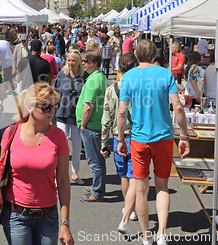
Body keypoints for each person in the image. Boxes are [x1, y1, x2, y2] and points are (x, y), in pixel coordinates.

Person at [116, 40, 190, 244]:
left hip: (139, 139)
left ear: (137, 55)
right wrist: (184, 136)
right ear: (155, 55)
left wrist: (120, 138)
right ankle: (162, 234)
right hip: (163, 137)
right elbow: (178, 108)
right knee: (162, 187)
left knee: (141, 189)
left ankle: (147, 236)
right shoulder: (165, 74)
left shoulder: (128, 77)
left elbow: (122, 112)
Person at [0, 83, 73, 245]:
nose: (52, 111)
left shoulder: (59, 136)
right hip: (15, 215)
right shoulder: (10, 134)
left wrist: (65, 223)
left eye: (54, 106)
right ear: (30, 107)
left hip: (48, 216)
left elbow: (63, 181)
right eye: (46, 107)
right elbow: (1, 175)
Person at [100, 53, 140, 235]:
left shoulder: (111, 90)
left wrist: (103, 142)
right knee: (135, 176)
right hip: (137, 136)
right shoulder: (140, 88)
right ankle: (131, 210)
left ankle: (128, 208)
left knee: (124, 176)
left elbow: (106, 119)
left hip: (119, 138)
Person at [76, 51, 108, 202]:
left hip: (91, 125)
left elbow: (88, 106)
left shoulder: (93, 79)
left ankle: (97, 192)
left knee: (94, 160)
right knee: (98, 160)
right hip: (95, 124)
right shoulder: (99, 76)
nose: (83, 63)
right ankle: (97, 187)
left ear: (94, 63)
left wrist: (83, 125)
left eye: (86, 61)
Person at [53, 50, 88, 185]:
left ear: (79, 62)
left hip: (76, 116)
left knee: (76, 146)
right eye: (69, 60)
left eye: (73, 60)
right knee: (61, 147)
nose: (71, 63)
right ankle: (59, 175)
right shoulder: (62, 75)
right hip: (62, 114)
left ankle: (75, 173)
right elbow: (54, 92)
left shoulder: (84, 77)